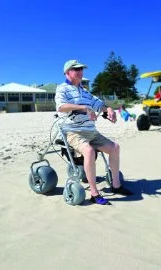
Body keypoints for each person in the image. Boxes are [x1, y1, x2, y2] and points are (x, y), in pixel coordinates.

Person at [55, 60, 133, 205]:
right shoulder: (62, 89)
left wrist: (109, 109)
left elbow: (98, 104)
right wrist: (84, 108)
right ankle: (94, 193)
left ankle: (116, 186)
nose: (80, 71)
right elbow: (61, 107)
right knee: (89, 152)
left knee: (115, 148)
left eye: (81, 69)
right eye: (76, 69)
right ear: (67, 72)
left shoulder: (84, 91)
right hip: (73, 131)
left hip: (91, 132)